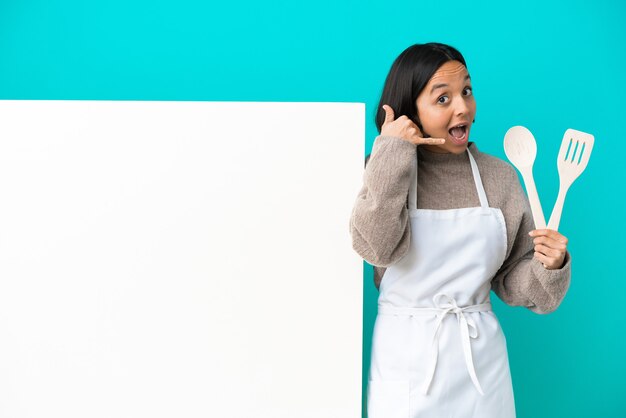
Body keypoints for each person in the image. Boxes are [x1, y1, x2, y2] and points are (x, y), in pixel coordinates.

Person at [349, 42, 571, 418]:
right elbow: (376, 248)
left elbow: (512, 279)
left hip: (481, 366)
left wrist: (549, 266)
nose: (463, 107)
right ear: (409, 110)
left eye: (466, 91)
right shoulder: (383, 168)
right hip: (407, 361)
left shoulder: (498, 176)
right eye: (443, 98)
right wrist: (390, 150)